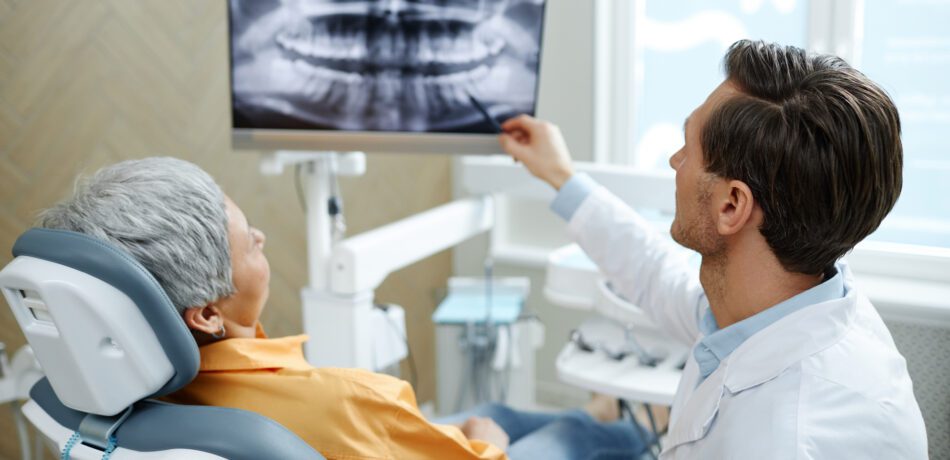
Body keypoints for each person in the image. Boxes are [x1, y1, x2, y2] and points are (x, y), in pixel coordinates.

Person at [37, 156, 650, 460]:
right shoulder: (345, 398)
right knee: (566, 430)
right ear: (205, 313)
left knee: (489, 406)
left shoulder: (124, 392)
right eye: (245, 234)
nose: (261, 239)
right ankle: (639, 434)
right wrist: (485, 442)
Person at [497, 39, 929, 458]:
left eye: (689, 146)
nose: (674, 161)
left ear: (732, 205)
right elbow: (657, 275)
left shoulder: (790, 438)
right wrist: (562, 178)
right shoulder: (786, 301)